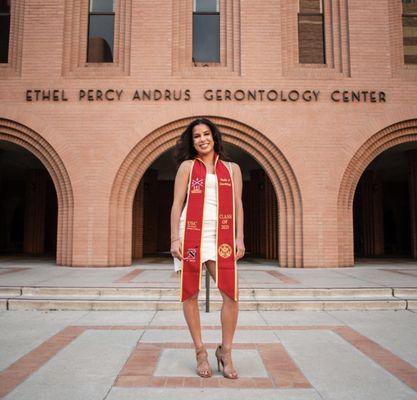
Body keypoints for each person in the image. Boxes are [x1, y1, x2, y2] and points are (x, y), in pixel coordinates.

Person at [170, 118, 245, 379]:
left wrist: (240, 237)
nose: (202, 139)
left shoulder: (232, 169)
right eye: (196, 137)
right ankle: (200, 350)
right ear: (192, 142)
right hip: (190, 233)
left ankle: (225, 351)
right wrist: (174, 239)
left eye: (206, 134)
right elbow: (177, 204)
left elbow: (238, 205)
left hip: (220, 235)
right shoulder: (187, 167)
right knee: (189, 293)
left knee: (231, 295)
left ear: (214, 136)